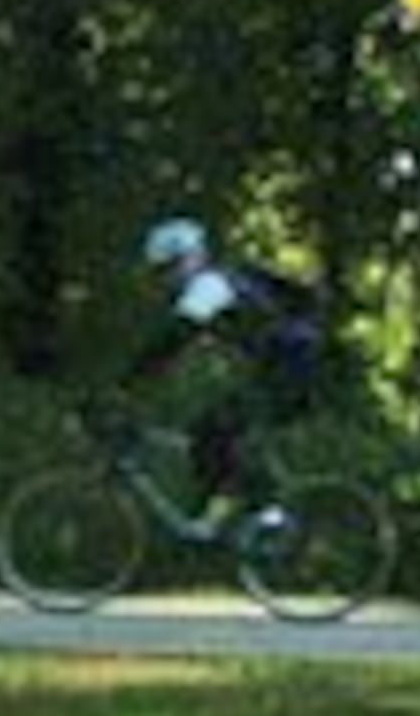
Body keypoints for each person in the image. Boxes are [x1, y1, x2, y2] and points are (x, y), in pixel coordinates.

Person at [121, 215, 325, 513]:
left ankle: (268, 517)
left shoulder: (209, 285)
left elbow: (175, 337)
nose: (166, 279)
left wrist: (129, 382)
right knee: (213, 440)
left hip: (289, 369)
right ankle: (223, 524)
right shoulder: (222, 281)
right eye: (159, 273)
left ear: (191, 258)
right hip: (285, 367)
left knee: (210, 434)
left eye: (169, 268)